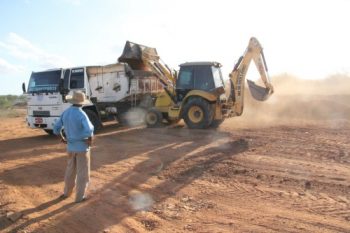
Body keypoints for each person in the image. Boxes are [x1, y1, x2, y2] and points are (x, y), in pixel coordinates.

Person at [53, 91, 94, 203]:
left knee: (70, 171)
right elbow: (89, 130)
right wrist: (89, 140)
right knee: (82, 173)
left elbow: (56, 128)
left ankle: (66, 193)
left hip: (70, 147)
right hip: (82, 148)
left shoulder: (66, 113)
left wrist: (62, 137)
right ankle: (79, 197)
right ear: (81, 103)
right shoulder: (81, 114)